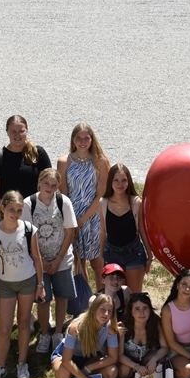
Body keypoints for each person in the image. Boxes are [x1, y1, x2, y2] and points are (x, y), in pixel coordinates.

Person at [0, 191, 46, 378]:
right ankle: (1, 366)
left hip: (28, 282)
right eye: (11, 209)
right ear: (2, 208)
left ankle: (22, 363)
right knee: (4, 328)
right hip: (5, 285)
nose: (15, 214)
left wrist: (40, 284)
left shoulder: (29, 229)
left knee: (23, 323)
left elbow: (37, 259)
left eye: (19, 210)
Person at [23, 168, 78, 355]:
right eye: (46, 183)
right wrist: (42, 260)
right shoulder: (28, 204)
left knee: (62, 296)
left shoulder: (64, 202)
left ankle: (58, 332)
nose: (50, 188)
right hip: (39, 262)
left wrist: (58, 259)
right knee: (43, 298)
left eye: (54, 185)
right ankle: (45, 333)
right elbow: (27, 234)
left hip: (61, 260)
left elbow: (70, 231)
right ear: (39, 182)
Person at [57, 123, 110, 291]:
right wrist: (72, 222)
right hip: (72, 216)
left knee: (97, 262)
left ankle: (102, 298)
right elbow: (64, 194)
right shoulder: (64, 161)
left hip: (94, 217)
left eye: (86, 138)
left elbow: (101, 195)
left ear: (92, 139)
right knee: (78, 263)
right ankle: (85, 300)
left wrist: (82, 220)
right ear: (73, 139)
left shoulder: (100, 162)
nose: (82, 141)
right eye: (78, 138)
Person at [51, 293, 120, 378]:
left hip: (89, 357)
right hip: (67, 357)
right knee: (63, 373)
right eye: (102, 309)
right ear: (94, 309)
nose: (106, 314)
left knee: (112, 371)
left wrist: (89, 368)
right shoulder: (76, 326)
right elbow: (67, 360)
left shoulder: (110, 327)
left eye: (110, 311)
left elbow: (113, 358)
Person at [99, 163, 153, 293]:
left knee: (134, 296)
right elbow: (103, 231)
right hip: (111, 253)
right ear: (110, 182)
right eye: (116, 180)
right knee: (115, 297)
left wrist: (150, 256)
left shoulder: (136, 202)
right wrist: (102, 257)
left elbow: (142, 230)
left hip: (134, 253)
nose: (120, 184)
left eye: (124, 180)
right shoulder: (103, 203)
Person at [0, 115, 52, 213]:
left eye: (21, 131)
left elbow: (49, 185)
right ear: (7, 132)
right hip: (6, 215)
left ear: (27, 130)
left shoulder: (38, 153)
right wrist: (7, 214)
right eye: (13, 131)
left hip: (36, 212)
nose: (17, 135)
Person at [116, 292, 169, 378]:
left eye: (145, 308)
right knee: (124, 369)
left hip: (146, 358)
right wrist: (136, 366)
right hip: (129, 361)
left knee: (160, 358)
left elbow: (165, 347)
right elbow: (119, 355)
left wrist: (154, 360)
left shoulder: (155, 322)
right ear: (131, 312)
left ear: (150, 310)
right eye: (137, 309)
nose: (142, 313)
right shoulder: (124, 326)